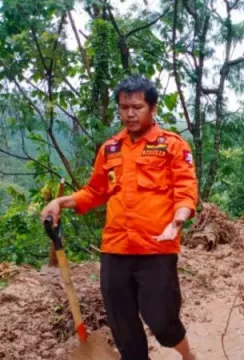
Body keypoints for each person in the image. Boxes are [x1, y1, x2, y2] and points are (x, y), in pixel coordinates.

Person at [40, 76, 198, 360]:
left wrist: (177, 222)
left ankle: (188, 356)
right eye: (124, 107)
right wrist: (61, 202)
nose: (130, 113)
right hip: (116, 248)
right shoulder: (110, 149)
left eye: (137, 106)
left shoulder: (172, 146)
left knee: (162, 320)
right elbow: (95, 192)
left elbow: (186, 191)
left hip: (157, 248)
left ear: (152, 108)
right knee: (122, 324)